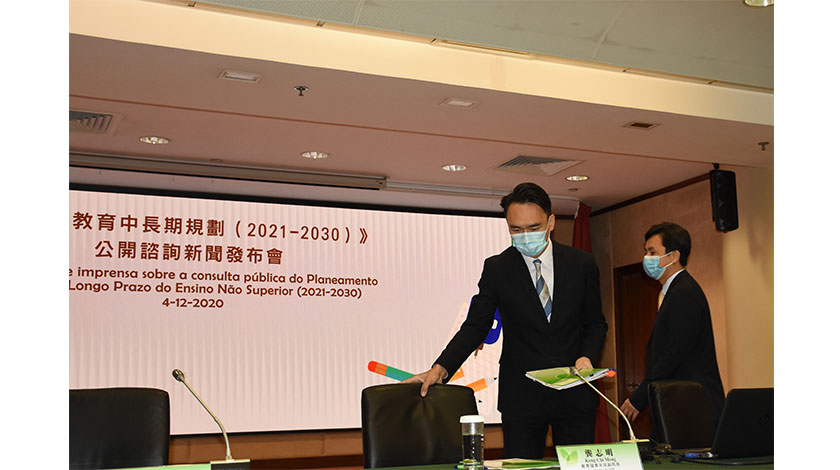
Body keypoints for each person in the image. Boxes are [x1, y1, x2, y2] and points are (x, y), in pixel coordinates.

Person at [404, 182, 608, 458]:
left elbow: (595, 324)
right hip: (522, 399)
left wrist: (587, 356)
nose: (525, 236)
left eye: (533, 228)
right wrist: (441, 368)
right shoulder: (498, 268)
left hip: (574, 394)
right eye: (516, 229)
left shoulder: (581, 264)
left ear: (550, 222)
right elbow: (476, 326)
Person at [619, 222, 725, 427]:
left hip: (694, 408)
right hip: (681, 405)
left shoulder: (684, 292)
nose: (646, 258)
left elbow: (674, 353)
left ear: (674, 256)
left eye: (652, 252)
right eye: (645, 252)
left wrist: (640, 396)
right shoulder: (674, 291)